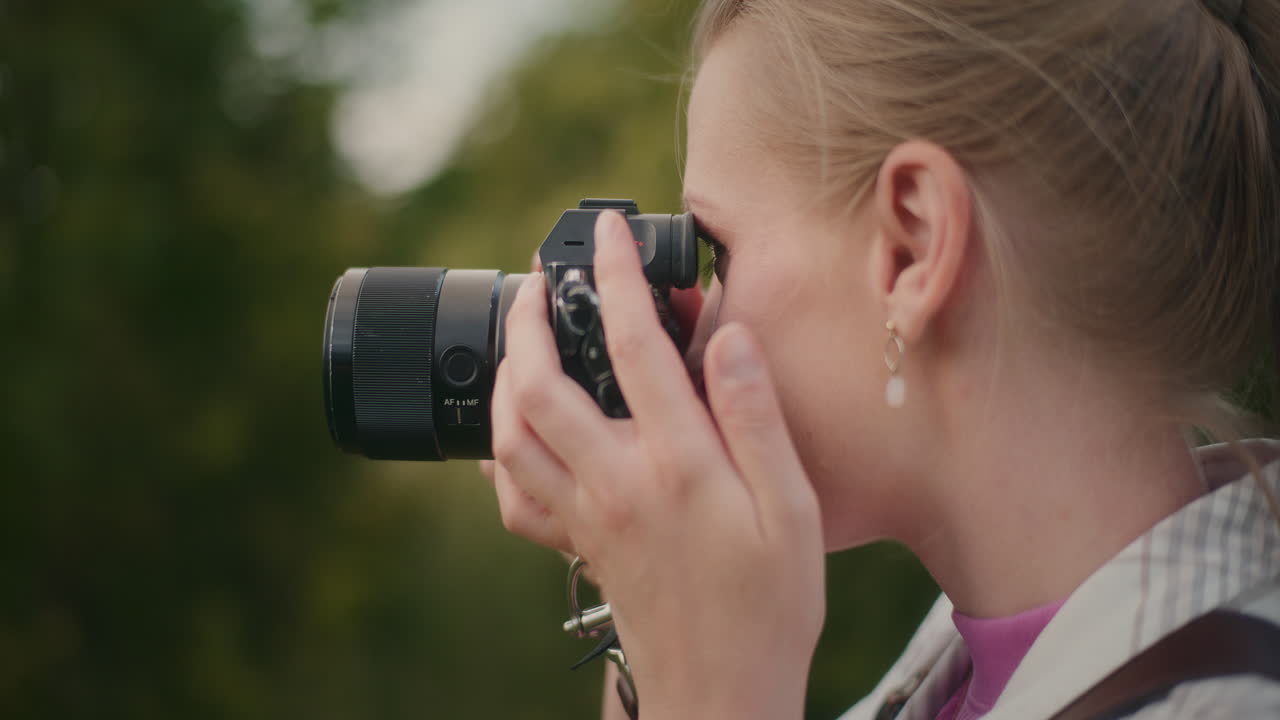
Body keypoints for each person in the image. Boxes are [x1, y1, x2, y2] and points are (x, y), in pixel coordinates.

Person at [479, 0, 1280, 717]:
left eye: (718, 253)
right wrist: (652, 601)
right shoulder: (960, 676)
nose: (693, 326)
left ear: (914, 246)